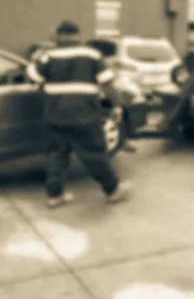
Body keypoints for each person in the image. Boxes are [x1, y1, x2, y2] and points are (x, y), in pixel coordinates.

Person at [26, 20, 131, 207]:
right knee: (94, 154)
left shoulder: (48, 55)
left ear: (58, 35)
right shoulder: (91, 54)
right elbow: (107, 83)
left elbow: (33, 77)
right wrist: (116, 107)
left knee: (56, 156)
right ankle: (112, 191)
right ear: (78, 35)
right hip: (84, 115)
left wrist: (38, 56)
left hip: (55, 115)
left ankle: (55, 196)